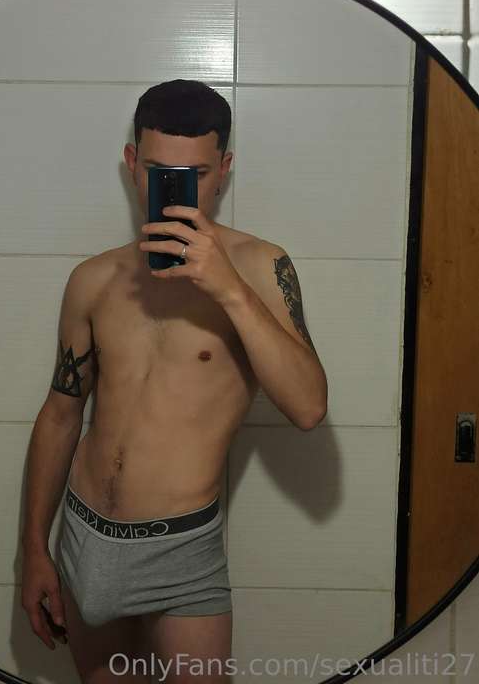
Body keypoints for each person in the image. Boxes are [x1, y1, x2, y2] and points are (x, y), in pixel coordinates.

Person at [21, 79, 328, 683]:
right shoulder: (93, 279)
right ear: (133, 164)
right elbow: (60, 414)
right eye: (160, 171)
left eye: (196, 174)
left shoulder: (261, 267)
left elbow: (309, 407)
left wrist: (227, 288)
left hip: (182, 549)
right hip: (82, 537)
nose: (177, 188)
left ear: (224, 171)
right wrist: (32, 548)